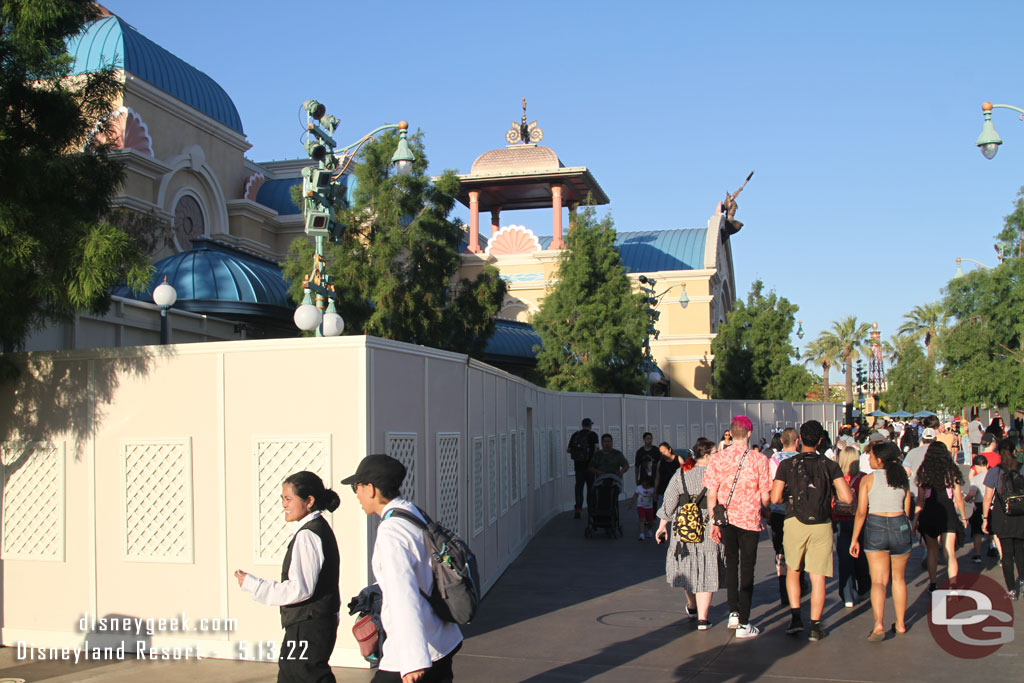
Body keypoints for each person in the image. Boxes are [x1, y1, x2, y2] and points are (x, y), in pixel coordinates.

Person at [344, 454, 462, 681]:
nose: (357, 495)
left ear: (370, 489)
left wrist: (412, 661)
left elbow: (402, 595)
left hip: (415, 651)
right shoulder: (412, 513)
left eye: (356, 488)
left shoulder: (391, 532)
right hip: (442, 637)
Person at [235, 471, 341, 683]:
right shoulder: (315, 530)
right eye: (282, 498)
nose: (284, 504)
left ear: (309, 501)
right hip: (308, 624)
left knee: (304, 675)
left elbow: (300, 589)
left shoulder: (308, 535)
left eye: (289, 498)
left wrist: (254, 585)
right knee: (291, 674)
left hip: (309, 626)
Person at [771, 420, 853, 642]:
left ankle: (796, 617)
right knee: (818, 577)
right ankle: (815, 626)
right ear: (820, 440)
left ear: (800, 440)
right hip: (822, 523)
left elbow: (775, 497)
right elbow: (847, 497)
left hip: (794, 521)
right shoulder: (830, 465)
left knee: (793, 570)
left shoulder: (787, 465)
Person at [704, 415, 771, 639]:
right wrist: (766, 510)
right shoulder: (760, 460)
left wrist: (714, 521)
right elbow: (766, 495)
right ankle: (745, 620)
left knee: (730, 562)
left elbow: (711, 494)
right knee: (748, 567)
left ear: (730, 433)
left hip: (726, 519)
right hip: (750, 519)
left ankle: (733, 611)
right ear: (750, 434)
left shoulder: (717, 459)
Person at [655, 437, 723, 630]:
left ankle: (692, 606)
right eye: (715, 454)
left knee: (687, 568)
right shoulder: (715, 475)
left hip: (683, 526)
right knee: (707, 567)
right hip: (707, 525)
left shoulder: (681, 473)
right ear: (708, 456)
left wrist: (662, 527)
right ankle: (703, 618)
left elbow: (669, 501)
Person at [849, 441, 912, 641]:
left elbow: (861, 512)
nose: (868, 459)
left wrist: (854, 539)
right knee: (899, 579)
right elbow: (907, 509)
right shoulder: (902, 478)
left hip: (875, 525)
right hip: (899, 524)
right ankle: (900, 623)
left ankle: (878, 624)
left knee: (878, 580)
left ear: (879, 459)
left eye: (871, 456)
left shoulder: (868, 480)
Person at [914, 442, 968, 592]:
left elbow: (920, 499)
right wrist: (963, 517)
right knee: (949, 551)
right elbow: (958, 498)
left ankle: (933, 584)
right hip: (948, 511)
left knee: (932, 550)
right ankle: (953, 584)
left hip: (930, 511)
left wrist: (915, 520)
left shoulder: (924, 471)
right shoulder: (951, 471)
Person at [982, 438, 1024, 599]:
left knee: (1007, 554)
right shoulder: (1022, 468)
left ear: (999, 453)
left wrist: (985, 517)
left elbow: (987, 497)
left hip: (1002, 515)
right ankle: (1023, 579)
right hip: (1021, 514)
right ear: (1015, 452)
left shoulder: (994, 471)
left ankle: (1012, 589)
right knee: (1020, 549)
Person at [767, 428, 800, 607]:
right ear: (797, 441)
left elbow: (769, 484)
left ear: (781, 442)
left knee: (780, 550)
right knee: (798, 548)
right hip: (798, 510)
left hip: (778, 510)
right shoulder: (802, 459)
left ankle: (783, 589)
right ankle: (798, 581)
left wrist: (766, 509)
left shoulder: (773, 460)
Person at [834, 444, 870, 608]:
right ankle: (864, 587)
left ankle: (848, 594)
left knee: (844, 559)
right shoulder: (863, 478)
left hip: (840, 519)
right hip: (859, 520)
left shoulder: (836, 477)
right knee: (861, 555)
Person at [567, 418, 599, 519]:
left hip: (578, 467)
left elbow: (568, 450)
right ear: (590, 425)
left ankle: (578, 509)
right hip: (590, 467)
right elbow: (597, 448)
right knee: (591, 488)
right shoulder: (593, 435)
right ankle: (591, 508)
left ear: (582, 425)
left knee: (579, 488)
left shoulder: (575, 435)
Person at [965, 455, 989, 564]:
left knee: (977, 531)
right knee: (994, 531)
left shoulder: (976, 479)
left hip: (980, 504)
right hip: (993, 505)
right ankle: (1000, 553)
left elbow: (972, 493)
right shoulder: (993, 475)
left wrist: (965, 499)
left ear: (976, 467)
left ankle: (977, 554)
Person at [627, 474, 657, 540]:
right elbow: (635, 496)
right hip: (641, 506)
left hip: (649, 507)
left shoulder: (652, 489)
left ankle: (649, 530)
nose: (645, 487)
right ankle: (642, 534)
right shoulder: (639, 488)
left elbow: (654, 498)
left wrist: (655, 495)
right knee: (642, 519)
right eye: (643, 485)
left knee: (650, 521)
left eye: (646, 485)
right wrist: (631, 505)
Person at [654, 442, 682, 510]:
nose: (663, 454)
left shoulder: (678, 459)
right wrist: (655, 492)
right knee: (663, 511)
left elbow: (685, 474)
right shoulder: (660, 462)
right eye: (661, 452)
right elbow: (657, 477)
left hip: (676, 491)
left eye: (664, 451)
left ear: (669, 449)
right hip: (663, 490)